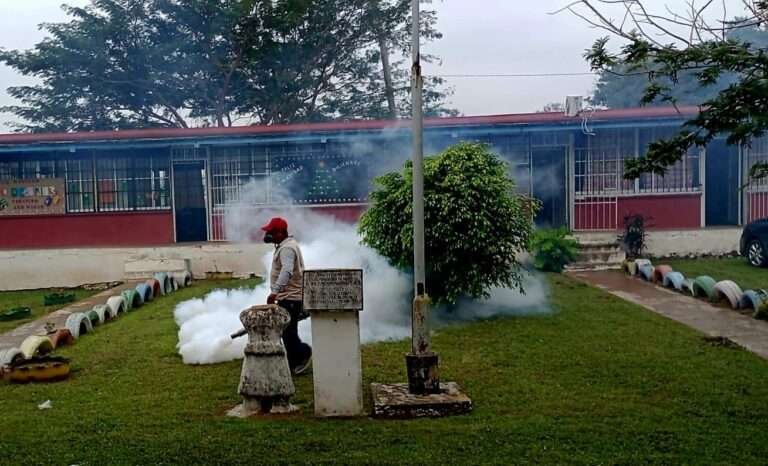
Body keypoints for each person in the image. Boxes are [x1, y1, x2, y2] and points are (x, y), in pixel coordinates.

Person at [261, 216, 312, 375]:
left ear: (280, 233)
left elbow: (287, 270)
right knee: (288, 332)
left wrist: (275, 291)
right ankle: (293, 362)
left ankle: (303, 354)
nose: (268, 235)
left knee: (289, 333)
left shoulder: (287, 249)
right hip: (289, 297)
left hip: (290, 298)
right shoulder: (286, 246)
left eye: (271, 232)